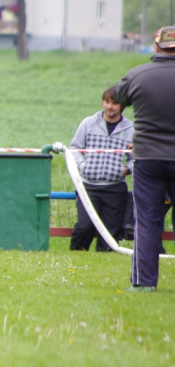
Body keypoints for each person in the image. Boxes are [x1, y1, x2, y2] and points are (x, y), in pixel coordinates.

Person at [114, 25, 175, 291]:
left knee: (147, 221)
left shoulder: (137, 75)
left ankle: (143, 283)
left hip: (148, 158)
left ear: (157, 45)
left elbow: (119, 96)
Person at [69, 86, 133, 252]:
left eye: (114, 103)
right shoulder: (88, 123)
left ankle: (105, 257)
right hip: (88, 186)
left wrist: (126, 170)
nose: (109, 107)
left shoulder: (130, 129)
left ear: (122, 106)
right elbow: (74, 148)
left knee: (111, 231)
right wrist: (83, 166)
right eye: (107, 102)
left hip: (115, 188)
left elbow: (137, 157)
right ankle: (76, 255)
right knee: (84, 226)